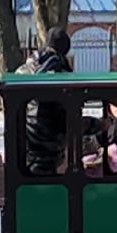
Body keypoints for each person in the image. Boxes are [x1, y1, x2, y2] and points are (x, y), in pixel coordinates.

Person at [22, 26, 72, 175]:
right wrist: (96, 125)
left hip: (25, 146)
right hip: (49, 149)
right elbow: (67, 118)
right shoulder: (60, 73)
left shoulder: (25, 69)